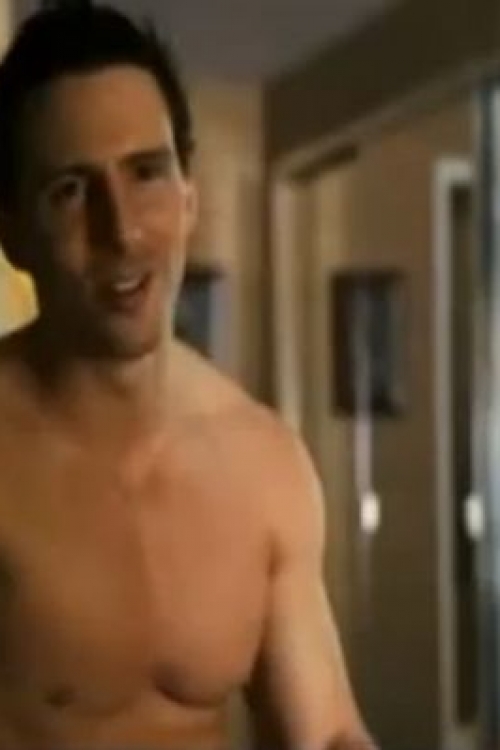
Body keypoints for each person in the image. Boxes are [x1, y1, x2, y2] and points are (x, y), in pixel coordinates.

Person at [0, 2, 377, 749]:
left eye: (146, 173)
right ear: (12, 233)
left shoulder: (263, 462)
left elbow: (328, 731)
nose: (122, 231)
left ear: (189, 195)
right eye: (71, 190)